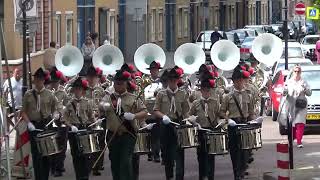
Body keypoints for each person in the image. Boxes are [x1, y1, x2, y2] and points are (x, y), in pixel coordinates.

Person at [99, 69, 148, 180]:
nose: (119, 85)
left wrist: (134, 116)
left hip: (128, 135)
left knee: (126, 162)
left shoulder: (133, 98)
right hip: (113, 135)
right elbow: (100, 106)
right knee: (115, 163)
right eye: (117, 83)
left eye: (121, 83)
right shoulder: (108, 97)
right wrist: (104, 106)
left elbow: (144, 111)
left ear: (126, 84)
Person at [21, 68, 60, 180]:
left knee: (46, 154)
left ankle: (45, 177)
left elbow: (56, 108)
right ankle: (39, 177)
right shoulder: (28, 94)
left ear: (43, 80)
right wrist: (28, 123)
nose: (37, 81)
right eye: (36, 79)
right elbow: (23, 112)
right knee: (36, 154)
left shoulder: (50, 94)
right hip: (33, 127)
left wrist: (56, 114)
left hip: (46, 125)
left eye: (40, 79)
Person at [220, 65, 256, 180]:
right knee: (235, 151)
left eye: (242, 80)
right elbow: (221, 112)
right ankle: (237, 173)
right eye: (238, 80)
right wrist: (227, 119)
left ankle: (241, 170)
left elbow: (251, 112)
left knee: (245, 151)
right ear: (234, 81)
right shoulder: (228, 96)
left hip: (245, 123)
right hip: (233, 124)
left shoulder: (249, 95)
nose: (240, 82)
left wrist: (254, 121)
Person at [153, 67, 190, 180]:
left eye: (175, 80)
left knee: (179, 153)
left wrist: (188, 120)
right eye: (170, 80)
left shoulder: (183, 94)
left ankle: (179, 177)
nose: (173, 82)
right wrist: (163, 116)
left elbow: (186, 111)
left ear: (177, 80)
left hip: (178, 125)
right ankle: (169, 176)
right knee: (167, 153)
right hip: (165, 125)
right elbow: (155, 110)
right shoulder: (161, 94)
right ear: (167, 81)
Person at [188, 72, 220, 180]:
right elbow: (189, 115)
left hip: (211, 131)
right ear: (200, 90)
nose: (206, 92)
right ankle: (202, 176)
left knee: (211, 155)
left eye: (208, 90)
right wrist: (192, 121)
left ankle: (211, 176)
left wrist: (222, 122)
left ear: (210, 91)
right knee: (201, 155)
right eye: (204, 90)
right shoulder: (196, 103)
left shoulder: (215, 102)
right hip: (200, 131)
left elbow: (220, 114)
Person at [63, 77, 95, 180]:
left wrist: (94, 125)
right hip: (73, 130)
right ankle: (79, 176)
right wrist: (70, 126)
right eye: (76, 89)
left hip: (84, 129)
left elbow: (91, 117)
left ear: (82, 91)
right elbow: (65, 119)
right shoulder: (69, 104)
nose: (77, 91)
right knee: (75, 154)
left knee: (86, 154)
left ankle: (85, 175)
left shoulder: (87, 102)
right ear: (73, 90)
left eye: (79, 89)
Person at [281, 65, 311, 148]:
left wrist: (305, 89)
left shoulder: (304, 82)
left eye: (298, 71)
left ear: (300, 72)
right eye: (295, 71)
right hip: (291, 105)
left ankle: (299, 141)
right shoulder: (289, 82)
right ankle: (291, 139)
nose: (297, 73)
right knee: (293, 124)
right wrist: (284, 91)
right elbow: (284, 93)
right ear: (293, 72)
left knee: (300, 123)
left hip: (301, 105)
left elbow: (309, 93)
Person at [47, 67, 70, 177]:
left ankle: (59, 167)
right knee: (51, 145)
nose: (54, 85)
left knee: (62, 145)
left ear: (59, 82)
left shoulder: (63, 92)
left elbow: (68, 106)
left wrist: (63, 111)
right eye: (52, 82)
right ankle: (52, 166)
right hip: (50, 121)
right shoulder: (46, 93)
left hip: (61, 121)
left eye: (55, 82)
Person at [84, 66, 106, 176]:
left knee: (100, 142)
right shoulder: (84, 90)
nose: (92, 79)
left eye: (94, 77)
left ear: (97, 78)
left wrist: (100, 113)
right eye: (90, 77)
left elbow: (104, 104)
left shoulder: (101, 90)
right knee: (89, 142)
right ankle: (90, 164)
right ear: (87, 78)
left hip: (99, 119)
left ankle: (97, 165)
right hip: (87, 120)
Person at [145, 61, 163, 162]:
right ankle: (149, 153)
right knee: (148, 134)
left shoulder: (161, 82)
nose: (153, 71)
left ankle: (156, 154)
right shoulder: (145, 81)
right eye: (152, 70)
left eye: (155, 70)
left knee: (156, 135)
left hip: (156, 111)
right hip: (147, 110)